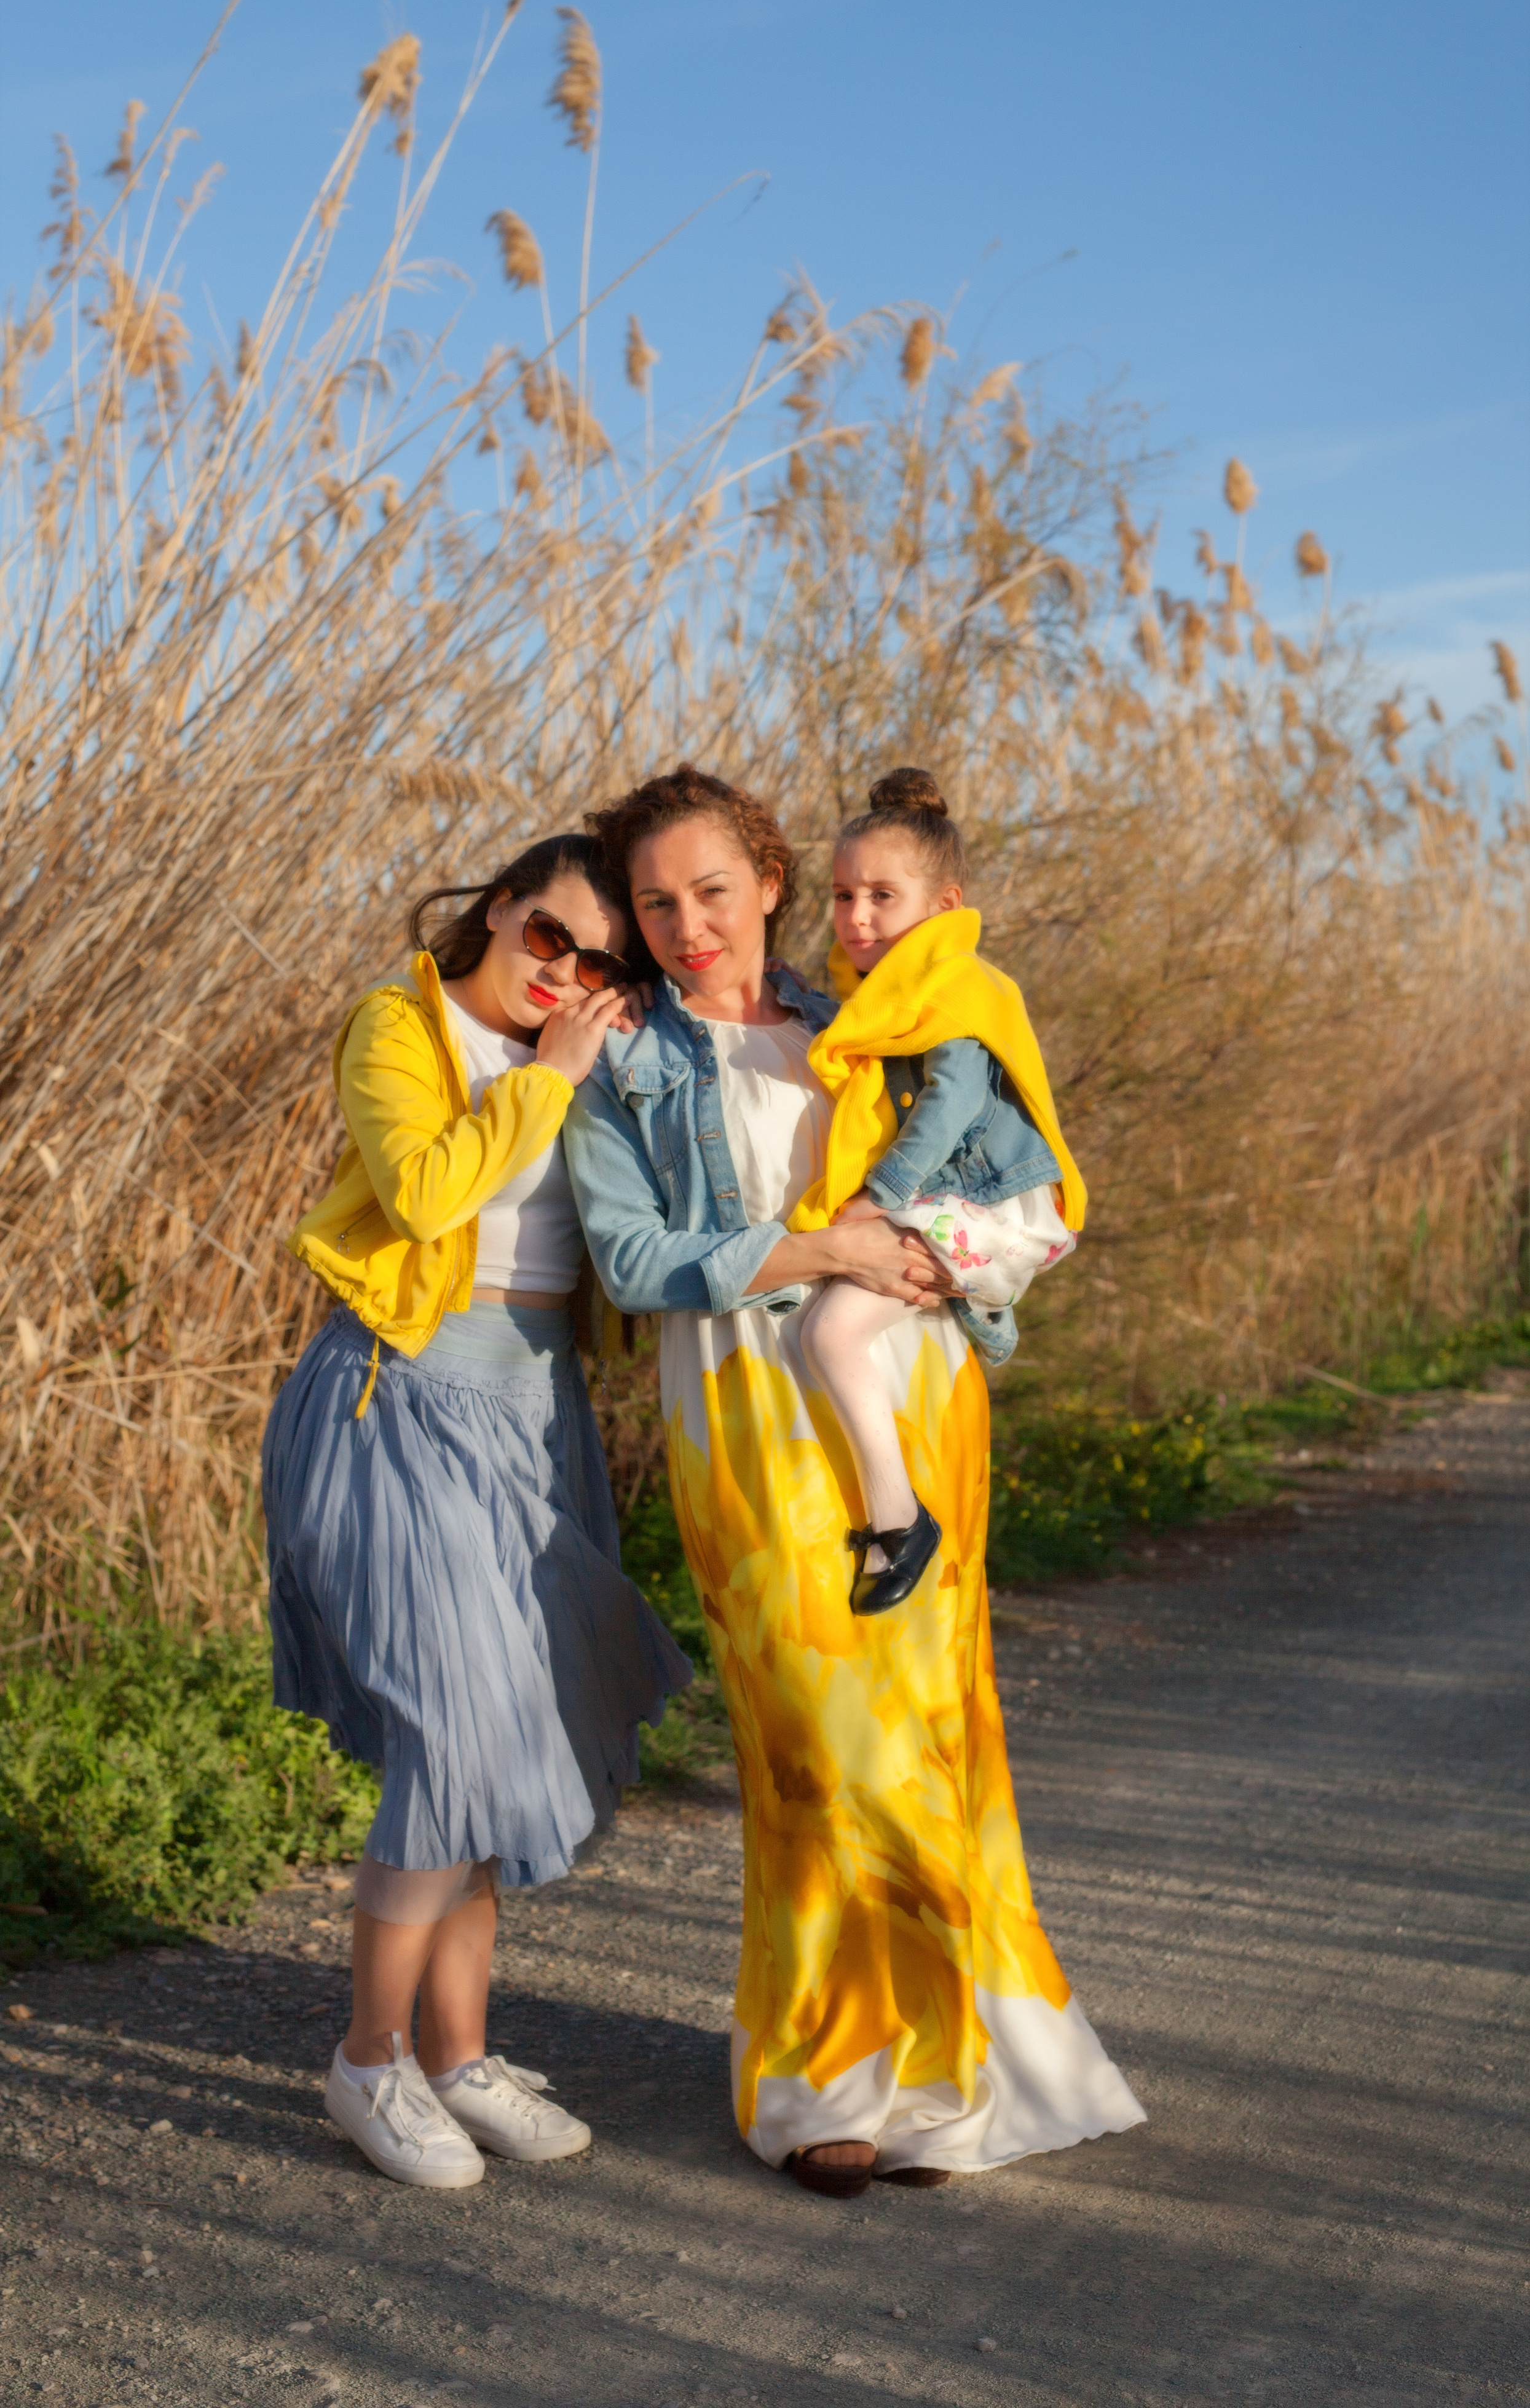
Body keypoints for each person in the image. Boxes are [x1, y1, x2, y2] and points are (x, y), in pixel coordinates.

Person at [563, 762, 1144, 2199]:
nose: (688, 921)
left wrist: (950, 1257)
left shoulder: (866, 1015)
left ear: (771, 880)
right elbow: (637, 1264)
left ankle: (944, 2078)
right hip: (751, 1419)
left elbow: (997, 1171)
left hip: (915, 1400)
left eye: (712, 888)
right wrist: (829, 1253)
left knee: (938, 1729)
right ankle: (825, 2069)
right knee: (817, 1752)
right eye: (655, 900)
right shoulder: (625, 1055)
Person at [262, 834, 692, 2189]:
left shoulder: (594, 1049)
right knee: (452, 1729)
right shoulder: (402, 1024)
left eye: (597, 963)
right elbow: (430, 1188)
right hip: (397, 1397)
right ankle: (369, 2059)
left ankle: (459, 2054)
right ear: (502, 907)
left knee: (503, 1744)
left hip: (534, 1412)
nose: (562, 973)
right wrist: (555, 1076)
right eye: (549, 937)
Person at [793, 768, 1083, 1614]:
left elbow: (953, 1100)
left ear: (943, 903)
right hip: (965, 1200)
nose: (857, 917)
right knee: (831, 1326)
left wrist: (881, 1193)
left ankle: (898, 1519)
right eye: (845, 895)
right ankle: (978, 1314)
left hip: (992, 1200)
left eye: (883, 896)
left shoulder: (954, 986)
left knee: (832, 1331)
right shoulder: (887, 995)